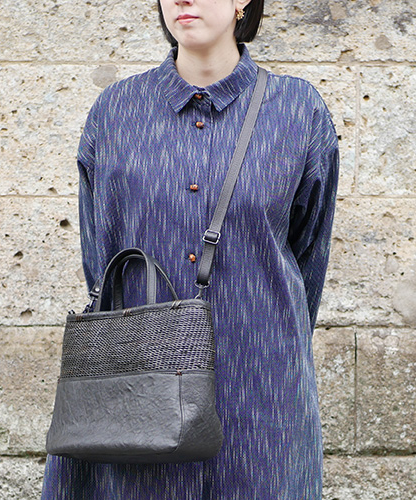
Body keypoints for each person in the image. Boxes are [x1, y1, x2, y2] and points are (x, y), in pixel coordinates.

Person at [41, 0, 339, 498]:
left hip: (260, 394)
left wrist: (266, 334)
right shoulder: (116, 111)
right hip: (138, 397)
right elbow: (102, 258)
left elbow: (307, 254)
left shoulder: (297, 110)